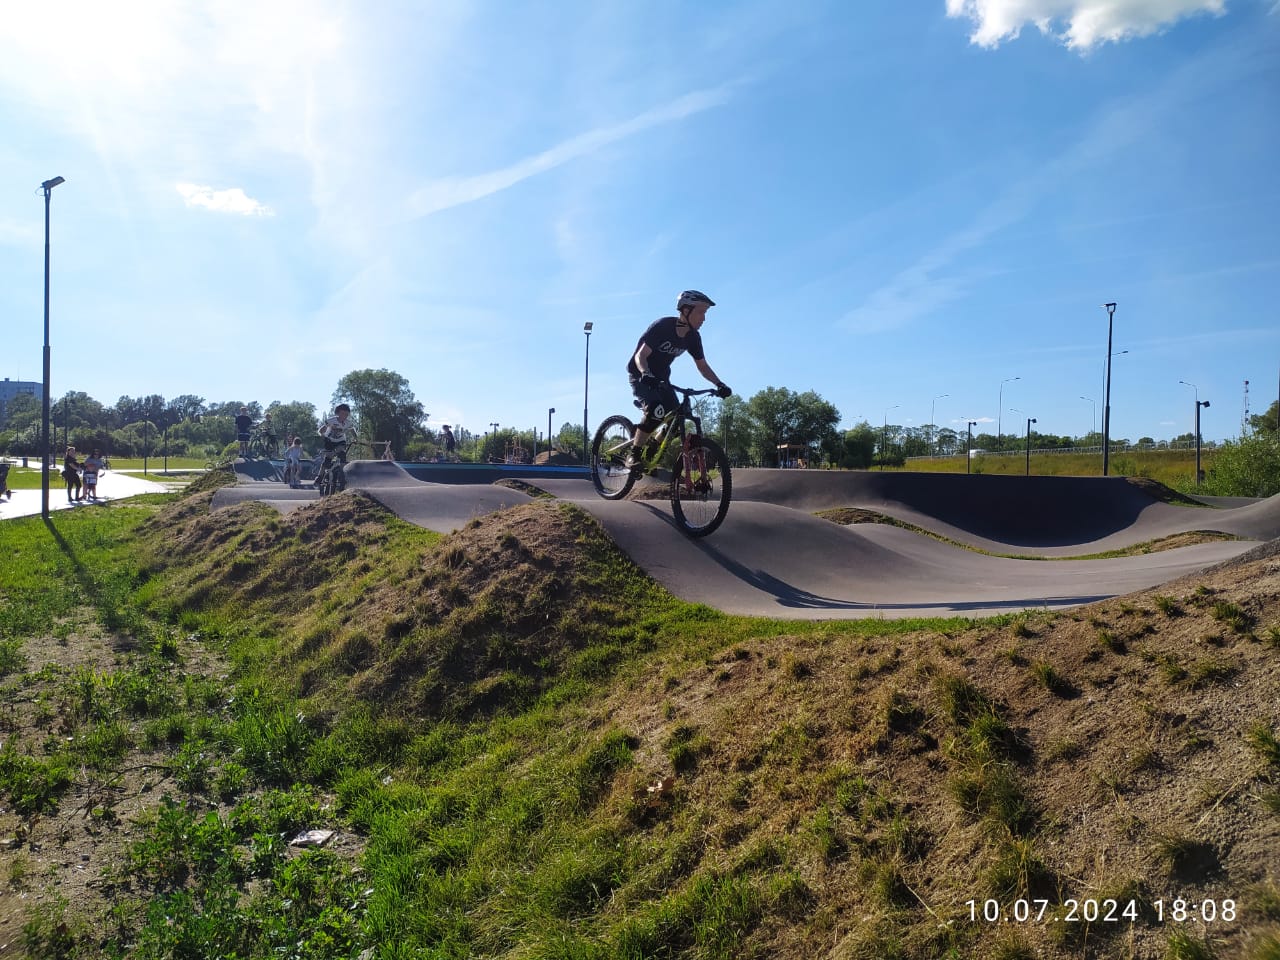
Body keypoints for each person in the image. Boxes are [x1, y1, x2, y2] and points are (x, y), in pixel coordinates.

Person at [625, 289, 732, 468]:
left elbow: (703, 366)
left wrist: (719, 384)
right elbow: (640, 356)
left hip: (662, 380)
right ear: (686, 311)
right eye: (700, 312)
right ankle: (633, 454)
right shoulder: (663, 327)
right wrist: (645, 373)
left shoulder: (693, 338)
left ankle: (652, 445)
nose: (704, 318)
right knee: (655, 411)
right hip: (640, 375)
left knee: (678, 418)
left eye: (705, 313)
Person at [315, 404, 353, 484]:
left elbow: (352, 430)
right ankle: (320, 476)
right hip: (330, 440)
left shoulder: (348, 423)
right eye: (343, 414)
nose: (344, 416)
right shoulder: (331, 420)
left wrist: (356, 438)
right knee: (327, 460)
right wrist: (321, 435)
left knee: (342, 453)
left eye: (346, 414)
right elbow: (321, 429)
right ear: (338, 413)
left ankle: (342, 474)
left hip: (340, 441)